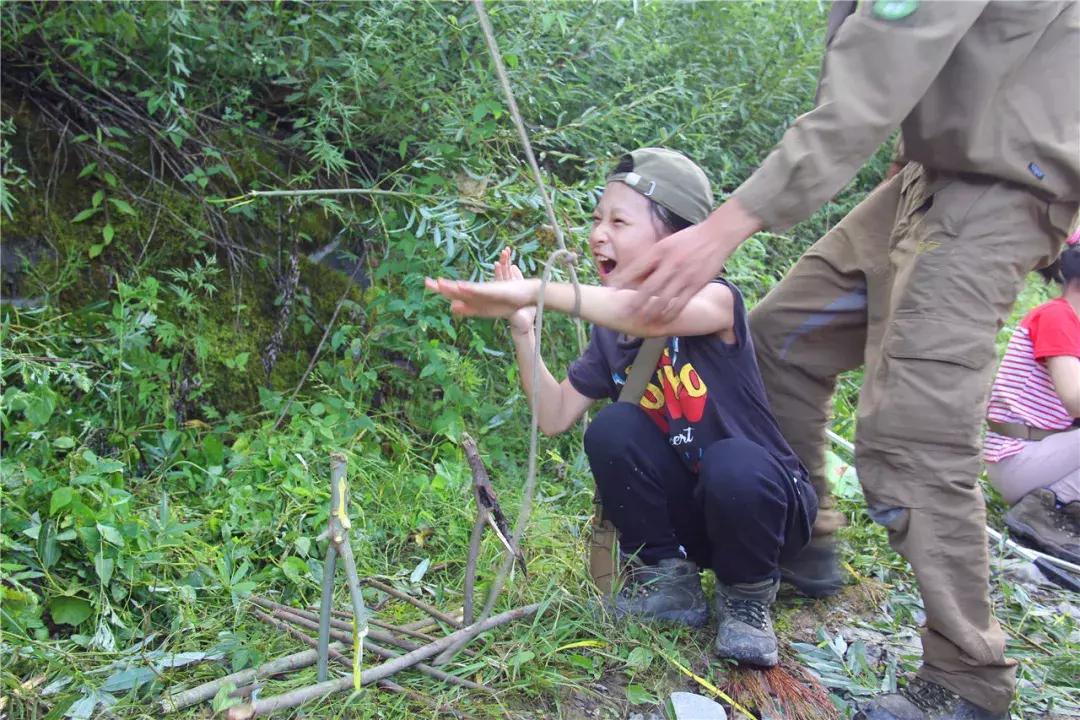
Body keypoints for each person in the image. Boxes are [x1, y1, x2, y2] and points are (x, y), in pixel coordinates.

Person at [609, 3, 1079, 719]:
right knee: (778, 342)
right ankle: (802, 542)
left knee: (914, 435)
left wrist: (727, 226)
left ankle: (966, 679)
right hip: (925, 174)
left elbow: (878, 73)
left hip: (1004, 184)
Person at [426, 148, 817, 667]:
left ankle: (747, 599)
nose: (597, 235)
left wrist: (538, 289)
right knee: (613, 427)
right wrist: (523, 327)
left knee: (732, 462)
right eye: (596, 220)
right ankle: (667, 580)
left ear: (676, 240)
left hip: (766, 511)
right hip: (699, 518)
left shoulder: (717, 300)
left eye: (618, 222)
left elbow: (648, 316)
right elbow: (555, 415)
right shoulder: (612, 335)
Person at [984, 230, 1080, 565]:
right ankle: (1048, 508)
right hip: (1020, 457)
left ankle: (1062, 507)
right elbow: (1075, 400)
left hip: (1044, 453)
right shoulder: (1058, 317)